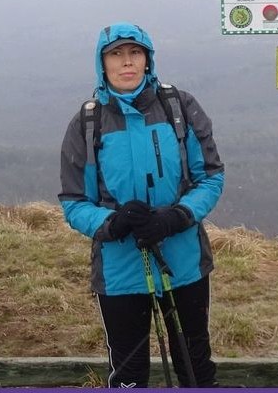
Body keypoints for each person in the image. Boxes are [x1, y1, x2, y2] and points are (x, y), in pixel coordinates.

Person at [58, 23, 225, 387]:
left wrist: (176, 217)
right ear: (102, 63)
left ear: (148, 59)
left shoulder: (179, 107)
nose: (127, 62)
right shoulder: (88, 123)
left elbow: (211, 177)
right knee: (129, 374)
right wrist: (113, 224)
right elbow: (74, 202)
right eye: (116, 54)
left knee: (195, 366)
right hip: (119, 268)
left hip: (184, 261)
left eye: (135, 52)